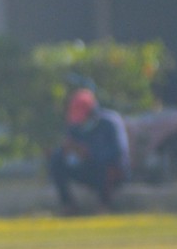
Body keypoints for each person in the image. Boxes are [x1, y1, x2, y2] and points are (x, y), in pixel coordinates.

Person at [50, 79, 130, 213]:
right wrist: (67, 151)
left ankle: (104, 205)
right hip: (87, 169)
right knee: (56, 159)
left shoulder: (110, 122)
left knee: (102, 165)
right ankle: (68, 205)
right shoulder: (75, 127)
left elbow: (118, 153)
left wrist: (89, 153)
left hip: (111, 173)